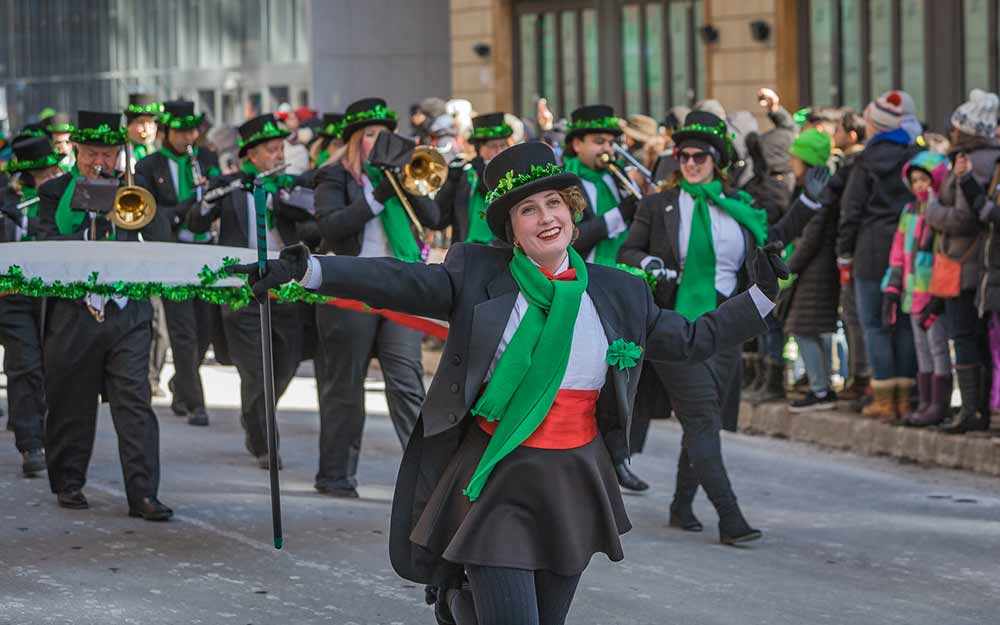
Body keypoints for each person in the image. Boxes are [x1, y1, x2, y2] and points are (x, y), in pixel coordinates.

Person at [233, 140, 779, 625]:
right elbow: (398, 280)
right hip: (494, 474)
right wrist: (311, 272)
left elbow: (690, 339)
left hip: (575, 476)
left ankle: (460, 605)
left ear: (572, 210)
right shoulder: (477, 275)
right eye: (528, 208)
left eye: (555, 204)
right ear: (511, 227)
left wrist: (761, 297)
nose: (546, 217)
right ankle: (462, 598)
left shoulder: (619, 292)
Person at [618, 110, 824, 543]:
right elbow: (628, 252)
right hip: (673, 326)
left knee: (702, 419)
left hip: (726, 326)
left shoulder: (741, 208)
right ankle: (730, 517)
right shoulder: (658, 205)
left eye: (700, 156)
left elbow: (773, 242)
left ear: (716, 160)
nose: (690, 163)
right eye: (683, 156)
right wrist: (651, 264)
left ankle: (680, 505)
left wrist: (806, 205)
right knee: (701, 416)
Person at [35, 111, 171, 520]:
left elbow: (160, 236)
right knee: (71, 403)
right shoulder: (54, 191)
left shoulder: (134, 188)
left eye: (110, 154)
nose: (102, 162)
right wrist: (86, 214)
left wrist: (129, 201)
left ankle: (144, 494)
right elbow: (45, 241)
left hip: (127, 311)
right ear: (76, 149)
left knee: (135, 404)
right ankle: (69, 482)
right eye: (94, 153)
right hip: (75, 313)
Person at [310, 98, 440, 498]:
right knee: (344, 386)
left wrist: (400, 183)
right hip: (351, 286)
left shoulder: (403, 176)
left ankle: (427, 476)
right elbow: (331, 228)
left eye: (384, 134)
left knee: (407, 381)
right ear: (353, 142)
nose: (378, 142)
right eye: (369, 135)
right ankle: (336, 474)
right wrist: (377, 195)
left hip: (399, 286)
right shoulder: (333, 177)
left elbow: (433, 220)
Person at [186, 113, 307, 467]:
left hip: (285, 287)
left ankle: (255, 413)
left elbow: (312, 224)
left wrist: (292, 194)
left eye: (280, 148)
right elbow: (196, 222)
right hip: (242, 289)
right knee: (256, 371)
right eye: (271, 150)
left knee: (286, 363)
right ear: (250, 155)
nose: (278, 155)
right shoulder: (231, 185)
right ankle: (265, 442)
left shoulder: (288, 185)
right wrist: (209, 198)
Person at [135, 100, 222, 427]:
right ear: (168, 132)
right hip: (173, 255)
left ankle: (181, 384)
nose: (188, 137)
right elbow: (152, 213)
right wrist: (188, 206)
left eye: (192, 130)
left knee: (204, 331)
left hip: (206, 252)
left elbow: (217, 194)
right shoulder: (150, 166)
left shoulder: (207, 157)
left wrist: (209, 195)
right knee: (182, 331)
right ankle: (197, 404)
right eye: (181, 131)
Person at [838, 90, 922, 420]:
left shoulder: (865, 161)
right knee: (902, 322)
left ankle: (884, 397)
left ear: (875, 125)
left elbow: (851, 211)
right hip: (908, 248)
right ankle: (907, 397)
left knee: (873, 323)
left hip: (870, 249)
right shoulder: (915, 157)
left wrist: (844, 253)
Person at [925, 89, 1000, 433]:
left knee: (964, 337)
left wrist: (931, 209)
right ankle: (980, 409)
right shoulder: (988, 159)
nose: (952, 131)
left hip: (964, 266)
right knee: (980, 338)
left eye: (956, 126)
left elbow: (961, 218)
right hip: (981, 267)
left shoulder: (968, 163)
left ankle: (972, 411)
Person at [0, 136, 62, 476]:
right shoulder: (6, 200)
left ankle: (56, 438)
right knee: (25, 367)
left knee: (55, 367)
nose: (51, 176)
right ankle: (31, 443)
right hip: (13, 295)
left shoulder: (58, 197)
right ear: (25, 176)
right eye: (43, 173)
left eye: (53, 170)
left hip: (52, 295)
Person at [883, 151, 953, 426]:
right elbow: (898, 251)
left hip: (934, 293)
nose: (919, 186)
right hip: (912, 293)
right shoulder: (909, 211)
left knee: (937, 347)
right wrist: (893, 286)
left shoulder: (938, 214)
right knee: (921, 349)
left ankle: (939, 404)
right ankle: (925, 401)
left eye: (924, 179)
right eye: (914, 181)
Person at [782, 128, 839, 411]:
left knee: (803, 328)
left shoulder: (820, 193)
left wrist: (789, 268)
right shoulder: (813, 189)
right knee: (813, 329)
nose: (791, 164)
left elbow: (811, 237)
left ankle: (820, 390)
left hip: (816, 270)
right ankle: (822, 387)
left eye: (796, 159)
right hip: (817, 268)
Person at [563, 104, 639, 268]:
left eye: (611, 143)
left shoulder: (616, 173)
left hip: (626, 266)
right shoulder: (564, 181)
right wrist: (619, 214)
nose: (607, 149)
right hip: (586, 268)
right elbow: (572, 237)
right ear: (577, 144)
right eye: (599, 142)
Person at [830, 110, 871, 405]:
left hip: (857, 252)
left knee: (856, 318)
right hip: (864, 250)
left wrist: (844, 252)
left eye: (839, 131)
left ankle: (861, 379)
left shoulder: (855, 165)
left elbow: (848, 211)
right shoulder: (858, 163)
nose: (835, 136)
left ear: (852, 134)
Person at [435, 111, 514, 245]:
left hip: (503, 250)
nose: (499, 150)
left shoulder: (513, 172)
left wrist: (482, 171)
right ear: (479, 148)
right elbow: (439, 219)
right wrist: (450, 182)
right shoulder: (466, 172)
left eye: (503, 145)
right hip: (466, 250)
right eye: (493, 146)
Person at [123, 93, 162, 163]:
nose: (146, 129)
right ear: (129, 126)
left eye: (150, 123)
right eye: (141, 122)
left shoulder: (156, 152)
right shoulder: (122, 152)